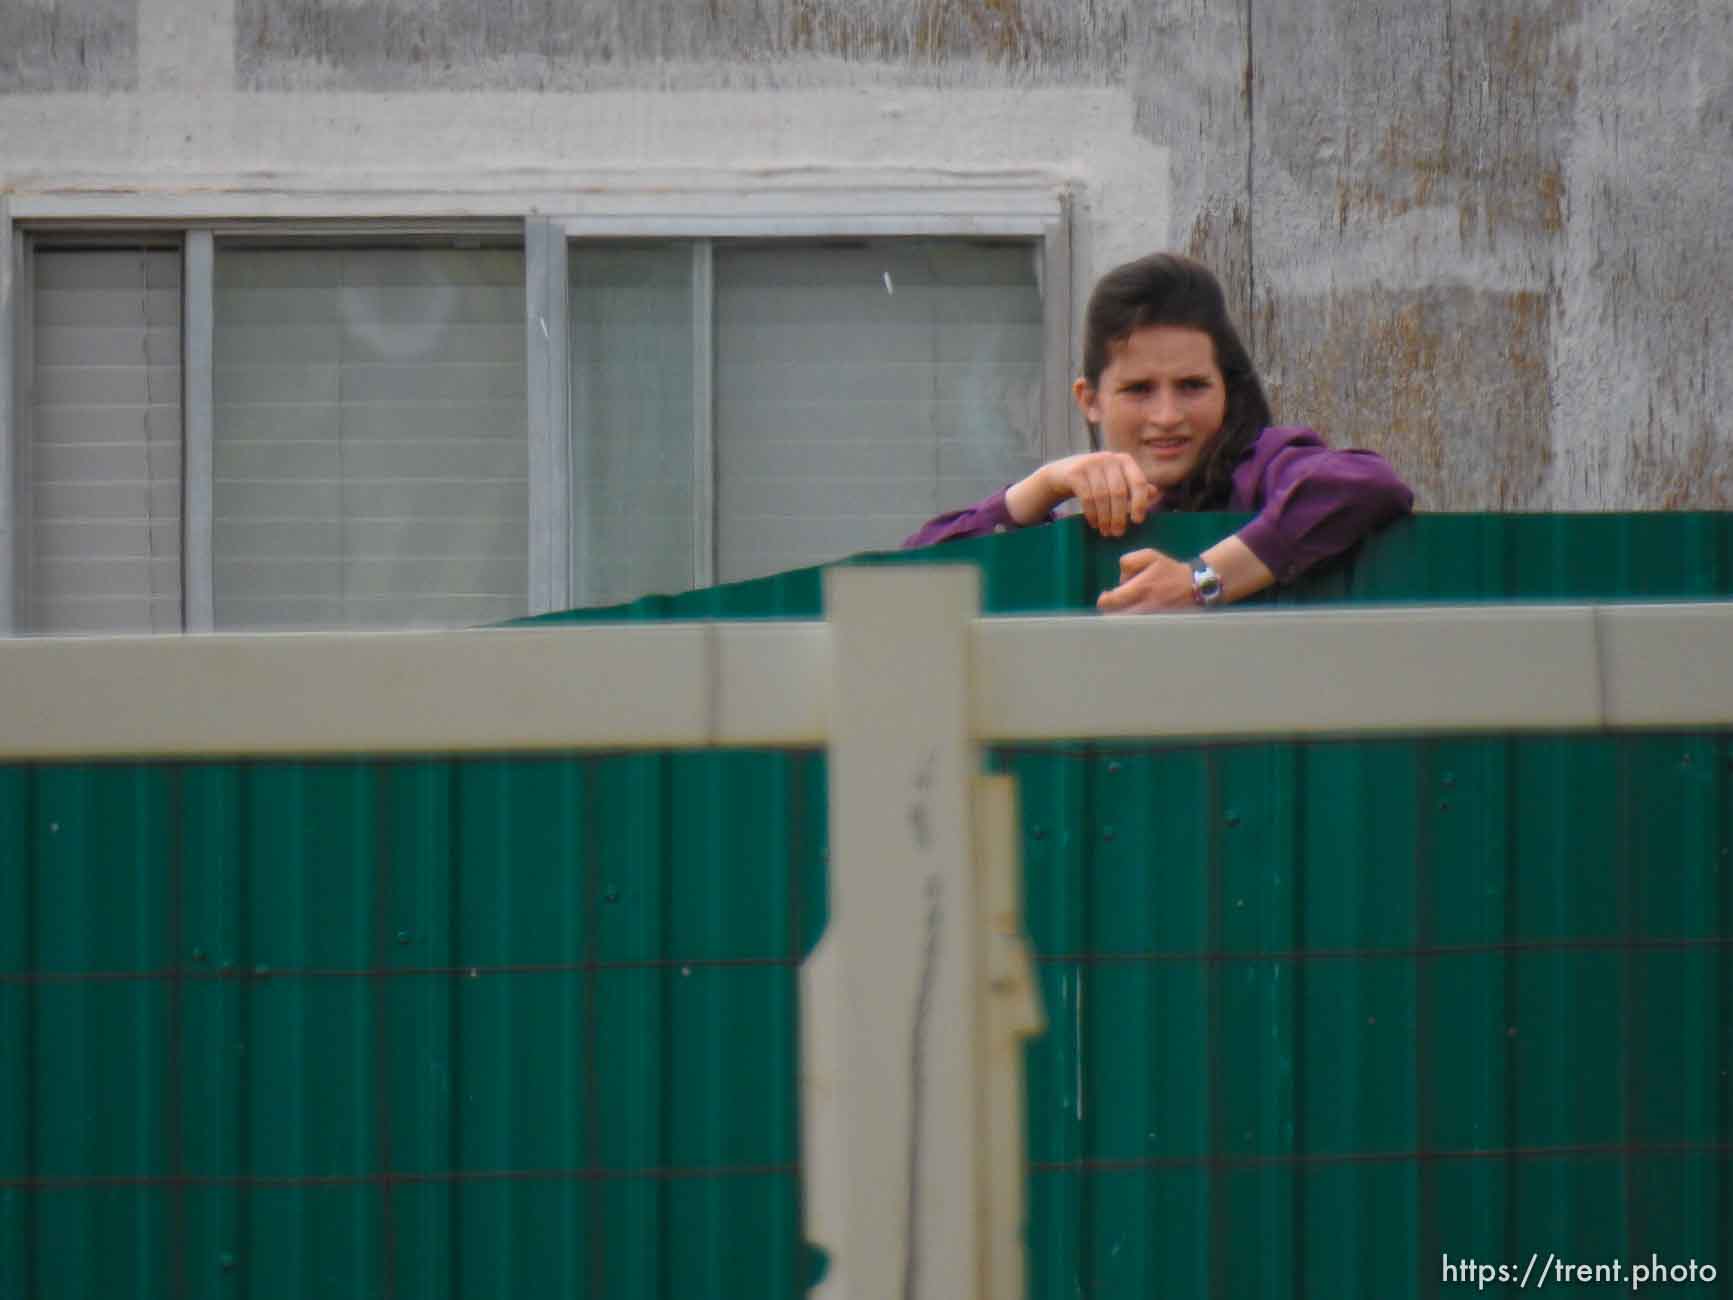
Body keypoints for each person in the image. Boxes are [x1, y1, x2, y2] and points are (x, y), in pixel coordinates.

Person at [903, 253, 1413, 612]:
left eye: (1192, 386)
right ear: (1090, 400)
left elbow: (1365, 484)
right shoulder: (1076, 510)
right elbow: (910, 577)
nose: (1167, 415)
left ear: (1228, 392)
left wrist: (1200, 581)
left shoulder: (1262, 470)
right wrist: (1043, 486)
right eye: (1139, 389)